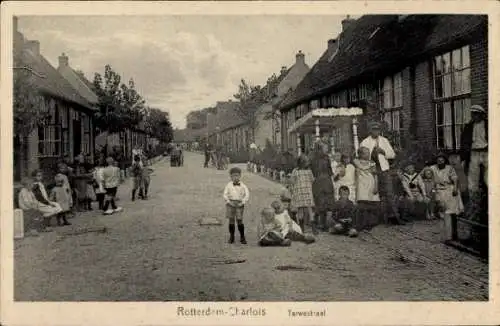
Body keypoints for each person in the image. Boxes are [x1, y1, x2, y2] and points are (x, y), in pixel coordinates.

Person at [360, 121, 403, 224]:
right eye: (373, 129)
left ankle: (394, 217)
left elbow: (392, 155)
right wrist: (372, 153)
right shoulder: (365, 142)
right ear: (370, 130)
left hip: (384, 170)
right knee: (372, 193)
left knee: (389, 193)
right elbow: (361, 157)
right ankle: (373, 219)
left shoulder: (384, 140)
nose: (376, 131)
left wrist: (383, 151)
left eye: (377, 129)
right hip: (371, 171)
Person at [459, 104, 488, 197]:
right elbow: (463, 142)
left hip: (487, 152)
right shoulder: (468, 127)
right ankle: (474, 200)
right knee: (472, 178)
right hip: (473, 153)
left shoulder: (489, 125)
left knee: (489, 176)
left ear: (481, 114)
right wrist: (463, 156)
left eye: (476, 114)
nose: (474, 116)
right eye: (473, 114)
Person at [309, 140, 335, 234]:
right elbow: (311, 171)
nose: (327, 149)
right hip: (319, 182)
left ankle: (323, 224)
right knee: (320, 202)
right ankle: (317, 222)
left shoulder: (327, 158)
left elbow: (330, 171)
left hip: (326, 181)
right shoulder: (313, 158)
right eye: (325, 147)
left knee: (326, 203)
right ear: (319, 149)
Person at [353, 146, 381, 231]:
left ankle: (370, 223)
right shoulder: (356, 162)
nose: (368, 155)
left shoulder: (372, 163)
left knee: (371, 204)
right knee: (362, 205)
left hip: (370, 184)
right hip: (361, 185)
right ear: (360, 154)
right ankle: (361, 223)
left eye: (369, 153)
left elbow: (375, 175)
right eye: (366, 153)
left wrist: (376, 186)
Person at [429, 153, 464, 219]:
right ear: (436, 161)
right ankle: (442, 212)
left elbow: (455, 178)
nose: (440, 162)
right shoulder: (432, 168)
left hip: (448, 186)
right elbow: (425, 174)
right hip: (437, 187)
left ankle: (456, 212)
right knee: (440, 196)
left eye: (442, 160)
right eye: (438, 161)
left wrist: (455, 188)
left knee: (455, 192)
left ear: (445, 161)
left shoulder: (449, 168)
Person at [223, 167, 250, 244]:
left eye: (237, 175)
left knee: (239, 220)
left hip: (239, 204)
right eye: (234, 176)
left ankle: (242, 237)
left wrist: (243, 202)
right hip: (230, 204)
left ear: (240, 176)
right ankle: (232, 237)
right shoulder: (228, 185)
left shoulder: (243, 186)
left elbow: (247, 194)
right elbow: (225, 194)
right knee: (231, 220)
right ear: (231, 176)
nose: (236, 177)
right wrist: (228, 201)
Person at [289, 154, 315, 231]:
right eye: (307, 162)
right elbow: (312, 180)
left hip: (299, 193)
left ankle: (301, 227)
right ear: (303, 163)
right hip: (307, 192)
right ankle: (312, 227)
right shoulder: (309, 171)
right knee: (309, 209)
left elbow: (292, 181)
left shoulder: (295, 171)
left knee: (301, 209)